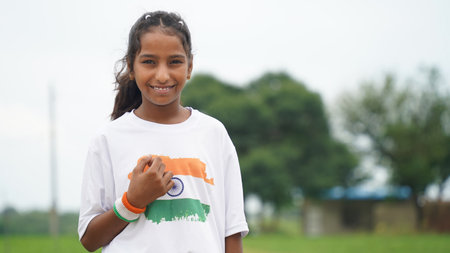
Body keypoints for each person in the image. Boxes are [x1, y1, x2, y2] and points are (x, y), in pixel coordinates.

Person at [78, 11, 249, 253]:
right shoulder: (108, 140)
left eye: (175, 62)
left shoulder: (214, 134)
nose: (162, 75)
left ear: (189, 67)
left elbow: (231, 231)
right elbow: (89, 239)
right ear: (131, 66)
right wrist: (131, 202)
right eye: (149, 61)